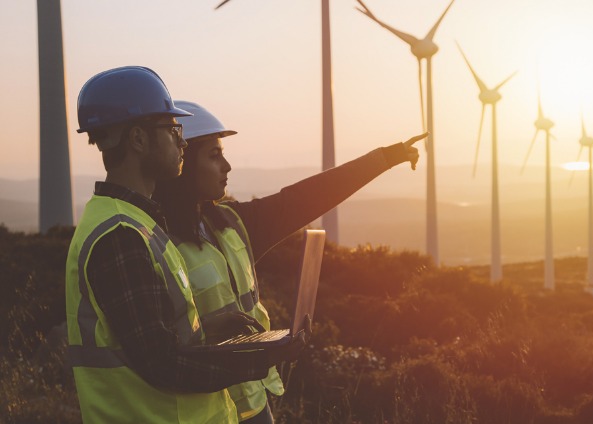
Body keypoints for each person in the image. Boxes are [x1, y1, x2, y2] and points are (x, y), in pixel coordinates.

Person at [152, 100, 426, 423]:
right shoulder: (157, 241)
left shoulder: (232, 224)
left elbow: (306, 198)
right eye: (214, 155)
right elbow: (161, 346)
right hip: (200, 410)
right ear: (183, 162)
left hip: (252, 401)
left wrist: (385, 158)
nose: (227, 166)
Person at [65, 66, 304, 424]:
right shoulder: (119, 237)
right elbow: (163, 365)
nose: (182, 141)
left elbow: (153, 338)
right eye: (173, 129)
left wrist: (211, 328)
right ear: (138, 139)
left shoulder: (138, 223)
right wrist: (261, 356)